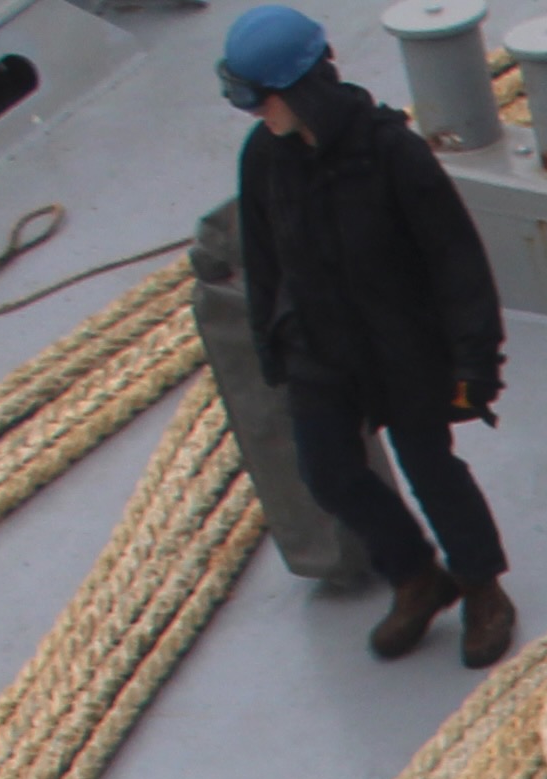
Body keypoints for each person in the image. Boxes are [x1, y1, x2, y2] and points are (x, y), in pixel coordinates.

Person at [221, 4, 516, 668]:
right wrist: (273, 346)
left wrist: (476, 365)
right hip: (320, 350)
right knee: (326, 472)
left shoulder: (391, 153)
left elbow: (455, 261)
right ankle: (415, 574)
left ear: (300, 89)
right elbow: (263, 257)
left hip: (402, 349)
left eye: (260, 98)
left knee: (431, 469)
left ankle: (481, 585)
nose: (254, 114)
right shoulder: (264, 157)